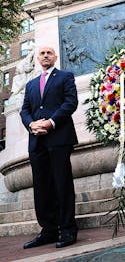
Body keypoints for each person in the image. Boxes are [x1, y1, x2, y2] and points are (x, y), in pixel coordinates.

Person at [20, 46, 78, 249]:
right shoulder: (31, 85)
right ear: (37, 58)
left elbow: (70, 103)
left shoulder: (65, 77)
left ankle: (68, 229)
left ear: (55, 57)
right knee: (42, 187)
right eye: (42, 53)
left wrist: (50, 123)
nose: (45, 56)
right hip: (37, 141)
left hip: (59, 138)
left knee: (62, 184)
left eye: (49, 53)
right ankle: (49, 230)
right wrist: (31, 124)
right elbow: (25, 110)